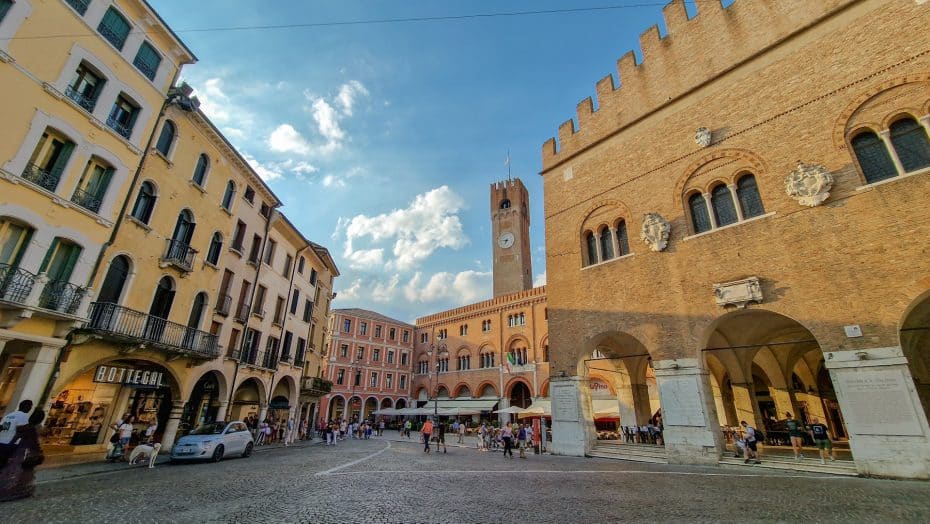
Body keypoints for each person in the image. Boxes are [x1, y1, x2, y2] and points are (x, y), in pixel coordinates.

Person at [0, 409, 45, 502]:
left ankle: (10, 488)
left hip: (20, 450)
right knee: (26, 471)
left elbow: (14, 438)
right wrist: (39, 451)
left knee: (14, 469)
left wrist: (10, 448)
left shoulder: (23, 428)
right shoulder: (36, 429)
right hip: (30, 451)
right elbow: (35, 443)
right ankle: (20, 489)